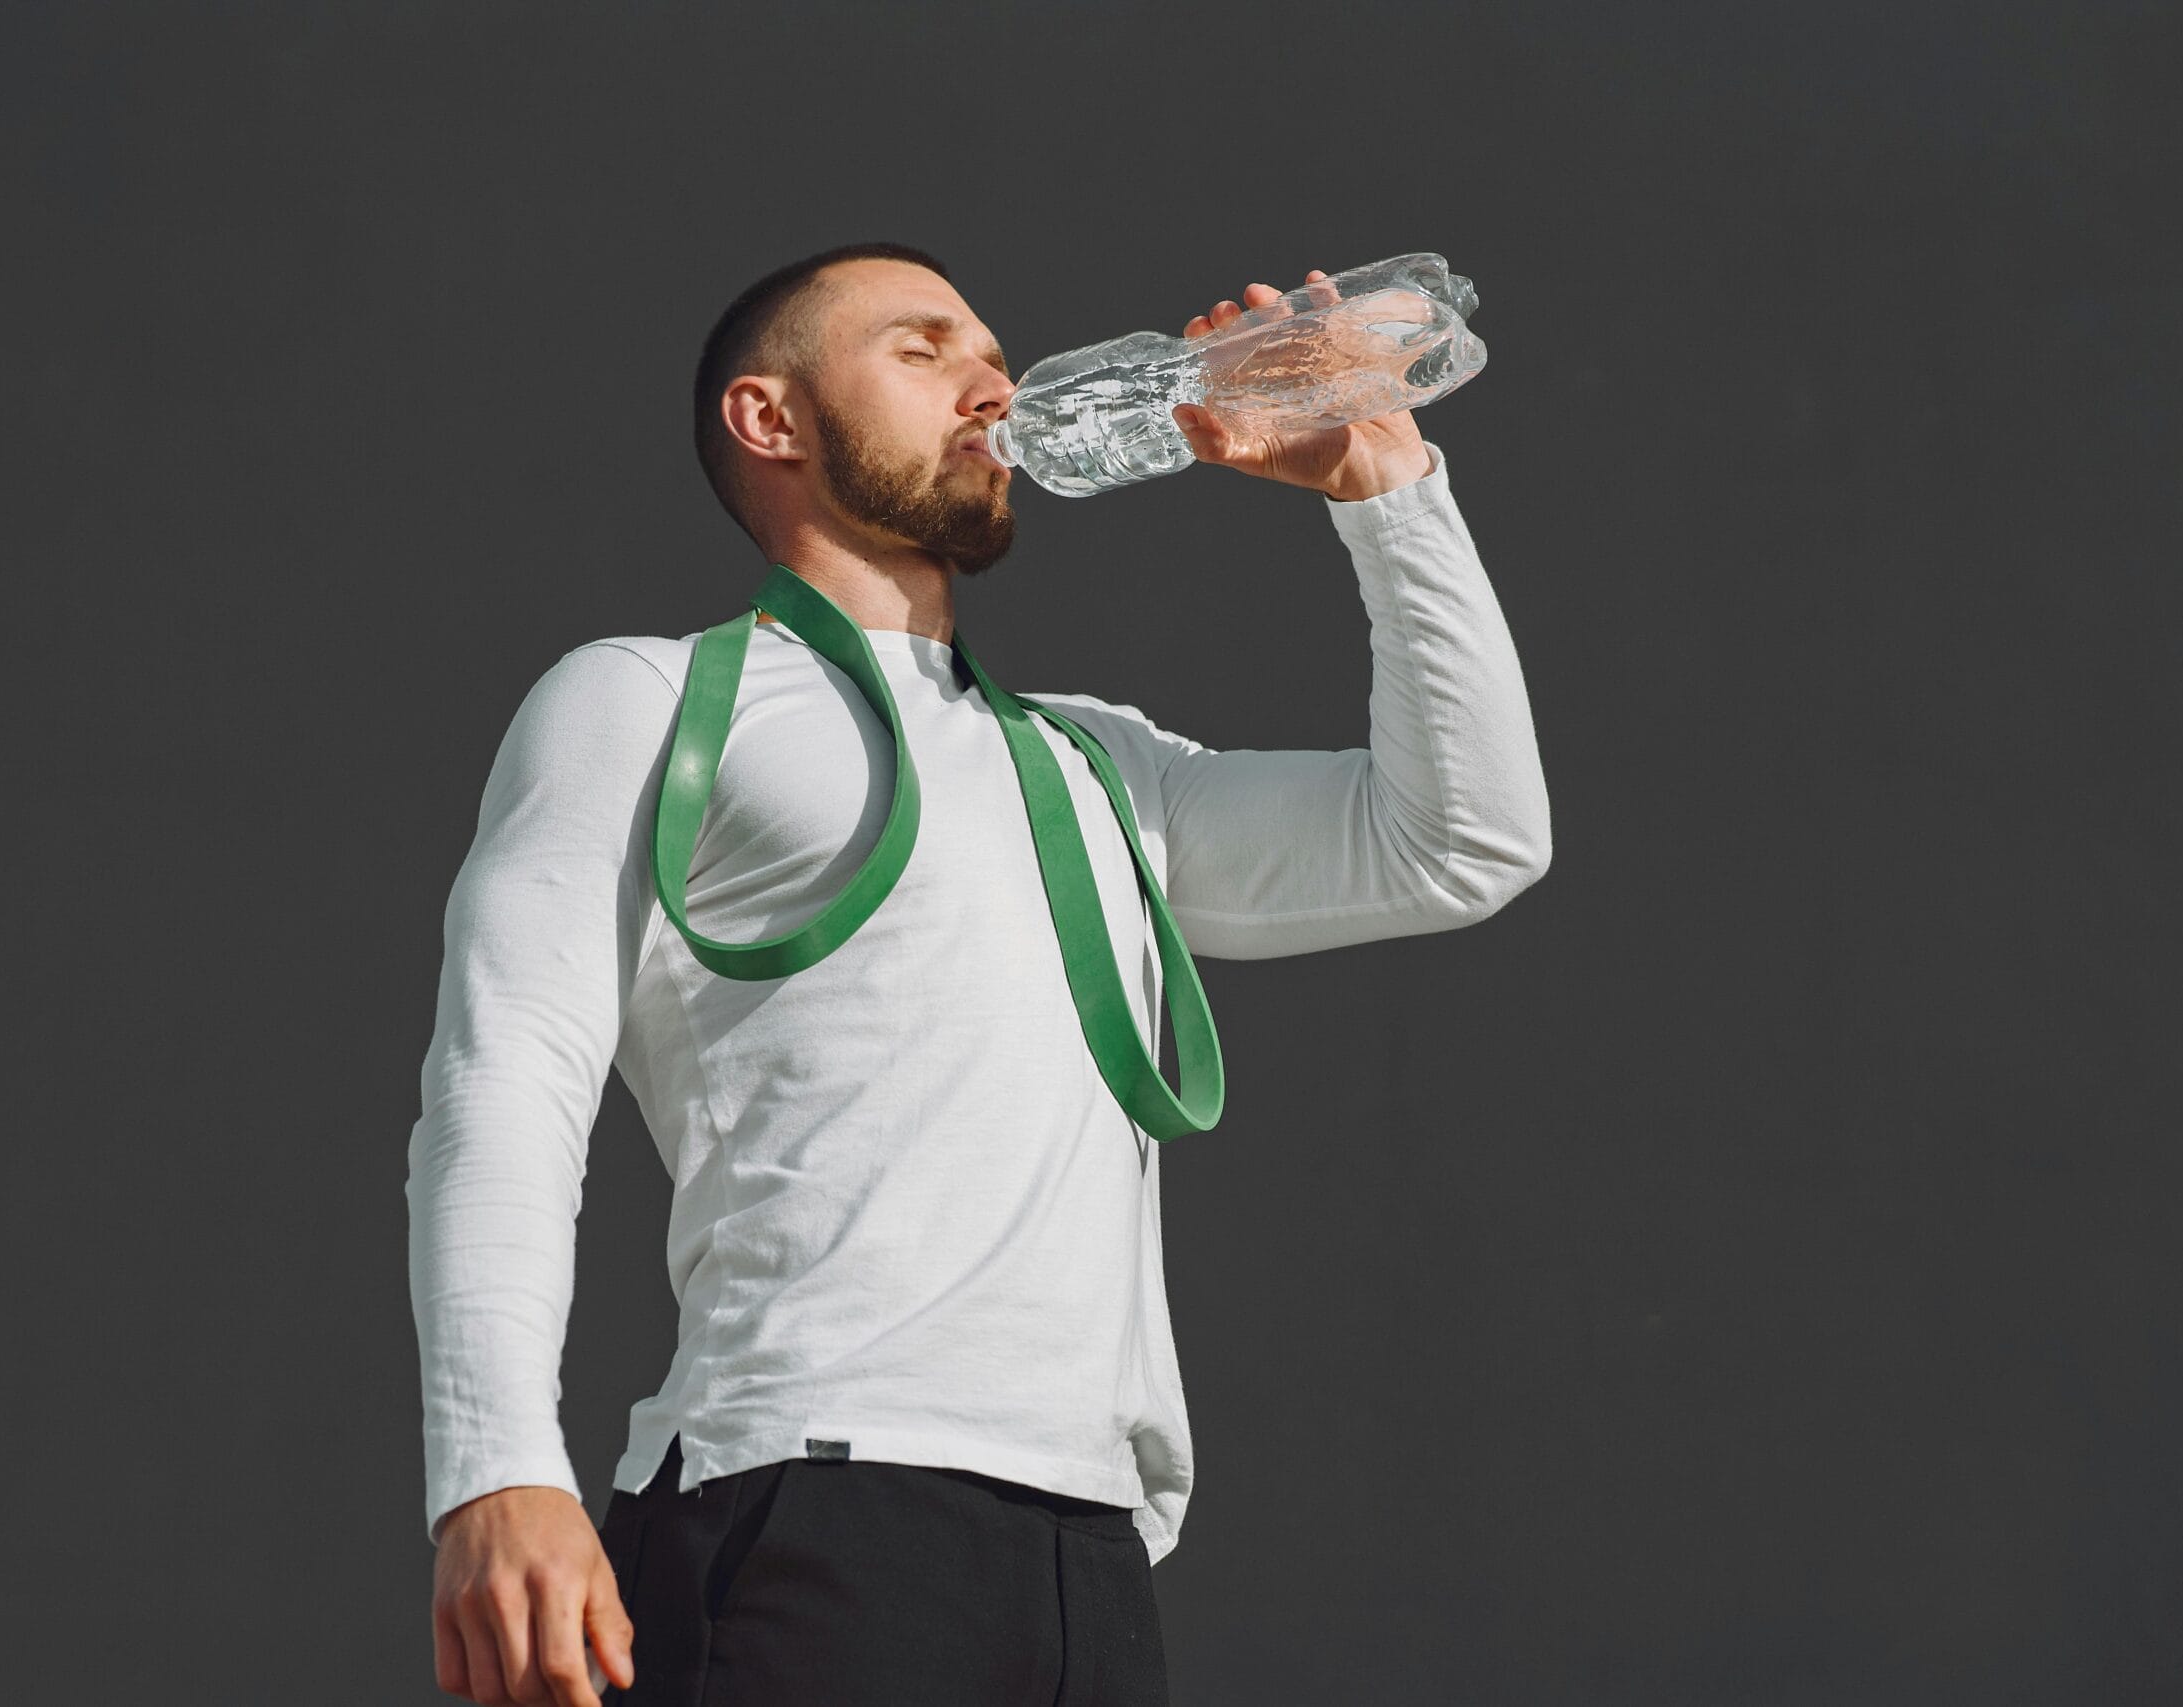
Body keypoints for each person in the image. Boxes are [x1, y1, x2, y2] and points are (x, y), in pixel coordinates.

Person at [405, 240, 1552, 1706]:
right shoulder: (646, 698)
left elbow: (1464, 840)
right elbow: (502, 1079)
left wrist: (1387, 486)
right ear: (775, 421)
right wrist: (495, 1472)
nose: (992, 381)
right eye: (922, 346)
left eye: (994, 351)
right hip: (810, 1499)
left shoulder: (1096, 763)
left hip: (1088, 1555)